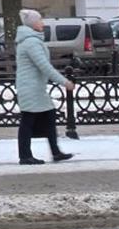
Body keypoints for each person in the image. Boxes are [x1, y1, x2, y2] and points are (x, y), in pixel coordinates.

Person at [15, 9, 74, 166]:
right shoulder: (30, 42)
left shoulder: (32, 40)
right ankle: (25, 156)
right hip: (30, 88)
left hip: (35, 87)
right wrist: (64, 82)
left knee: (48, 116)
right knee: (28, 120)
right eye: (40, 20)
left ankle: (55, 152)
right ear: (32, 24)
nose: (42, 23)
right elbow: (44, 66)